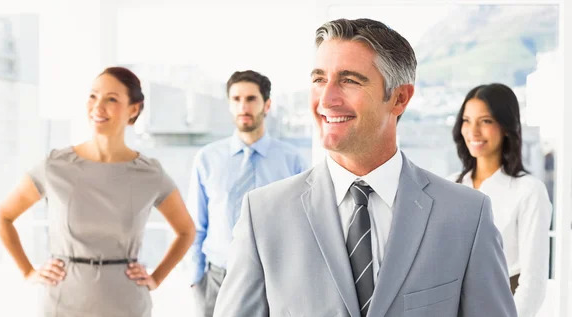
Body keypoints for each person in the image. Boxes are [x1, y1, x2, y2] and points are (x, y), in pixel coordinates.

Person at [213, 18, 517, 317]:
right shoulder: (263, 214)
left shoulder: (466, 215)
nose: (327, 100)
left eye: (349, 80)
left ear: (399, 98)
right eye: (319, 79)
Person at [0, 67, 196, 317]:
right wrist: (28, 272)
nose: (98, 106)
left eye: (111, 99)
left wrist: (156, 278)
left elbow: (186, 231)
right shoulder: (55, 165)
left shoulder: (150, 174)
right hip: (63, 301)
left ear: (134, 109)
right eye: (93, 96)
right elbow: (4, 216)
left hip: (127, 303)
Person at [186, 70, 308, 317]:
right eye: (236, 99)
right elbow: (196, 225)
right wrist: (196, 279)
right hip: (217, 279)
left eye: (251, 99)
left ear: (267, 104)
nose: (243, 106)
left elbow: (303, 224)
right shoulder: (207, 159)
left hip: (273, 279)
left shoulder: (292, 160)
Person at [451, 83, 551, 317]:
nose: (473, 131)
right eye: (467, 120)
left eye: (485, 121)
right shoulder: (449, 186)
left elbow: (533, 281)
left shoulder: (528, 190)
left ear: (506, 127)